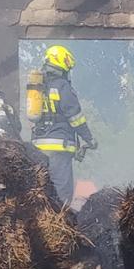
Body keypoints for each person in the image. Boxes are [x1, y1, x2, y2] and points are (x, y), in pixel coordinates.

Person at [26, 45, 95, 206]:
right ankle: (61, 221)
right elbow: (75, 116)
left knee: (42, 187)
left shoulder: (39, 87)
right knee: (62, 190)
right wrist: (89, 139)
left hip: (39, 146)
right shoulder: (62, 86)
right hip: (59, 147)